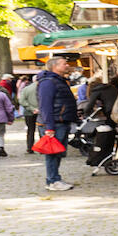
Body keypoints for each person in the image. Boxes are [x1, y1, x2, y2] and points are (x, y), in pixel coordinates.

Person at [33, 56, 81, 191]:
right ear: (55, 66)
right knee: (52, 153)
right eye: (64, 64)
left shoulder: (57, 81)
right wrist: (50, 126)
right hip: (54, 122)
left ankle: (54, 179)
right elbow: (45, 105)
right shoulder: (48, 82)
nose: (67, 65)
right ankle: (53, 181)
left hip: (59, 121)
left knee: (57, 153)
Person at [17, 74, 40, 152]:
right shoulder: (43, 89)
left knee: (30, 130)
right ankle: (42, 147)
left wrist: (31, 108)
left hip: (29, 112)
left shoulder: (26, 89)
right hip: (42, 112)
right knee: (42, 129)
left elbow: (22, 101)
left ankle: (30, 147)